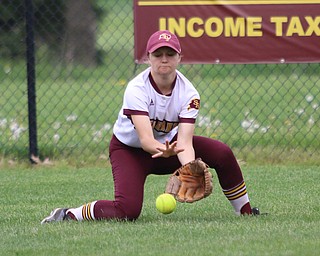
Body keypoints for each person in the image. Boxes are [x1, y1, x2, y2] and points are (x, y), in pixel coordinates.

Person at [41, 30, 260, 224]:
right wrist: (163, 151)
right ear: (148, 58)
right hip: (130, 151)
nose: (164, 59)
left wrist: (191, 168)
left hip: (171, 147)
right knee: (127, 211)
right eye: (158, 54)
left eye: (170, 54)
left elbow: (184, 141)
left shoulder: (189, 93)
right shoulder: (137, 89)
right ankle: (69, 214)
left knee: (221, 152)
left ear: (179, 58)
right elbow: (146, 140)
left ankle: (245, 211)